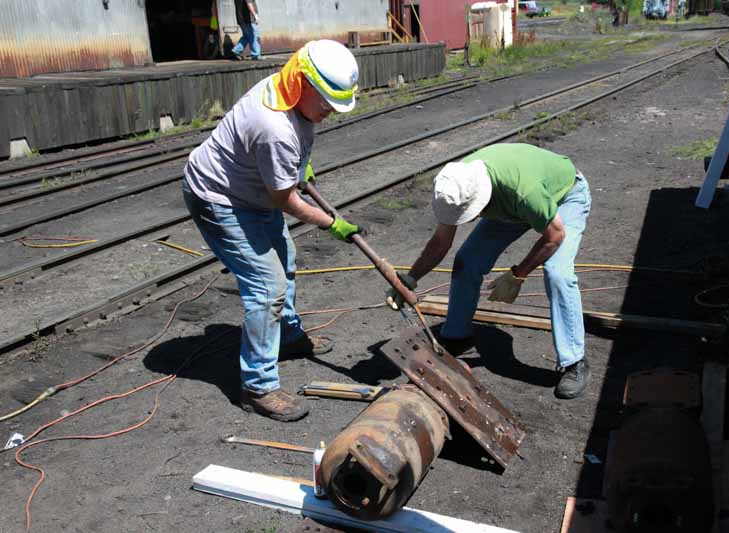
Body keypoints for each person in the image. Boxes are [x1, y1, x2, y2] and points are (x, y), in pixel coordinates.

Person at [183, 40, 361, 421]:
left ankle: (287, 337)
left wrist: (297, 169)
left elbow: (288, 169)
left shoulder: (287, 89)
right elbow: (286, 200)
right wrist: (331, 223)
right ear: (304, 84)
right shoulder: (275, 127)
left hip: (252, 192)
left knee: (286, 259)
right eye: (327, 103)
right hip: (220, 199)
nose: (330, 112)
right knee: (267, 287)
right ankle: (258, 387)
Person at [386, 143, 592, 399]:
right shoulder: (455, 185)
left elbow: (554, 236)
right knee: (467, 260)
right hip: (511, 207)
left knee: (558, 274)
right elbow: (441, 242)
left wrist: (518, 274)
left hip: (564, 197)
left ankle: (574, 361)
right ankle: (457, 335)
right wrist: (410, 278)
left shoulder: (521, 191)